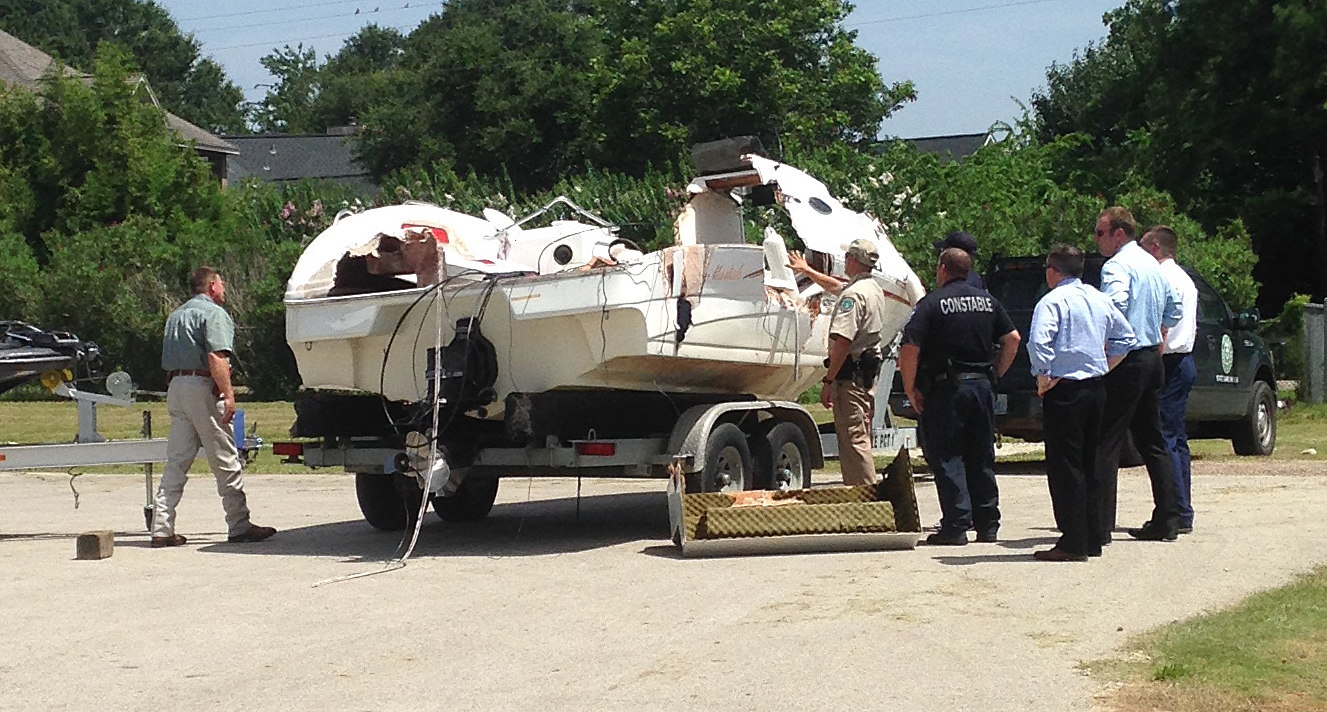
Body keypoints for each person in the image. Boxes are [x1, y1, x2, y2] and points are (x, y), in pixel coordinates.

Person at [899, 248, 1020, 545]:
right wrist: (996, 373)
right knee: (981, 455)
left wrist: (910, 388)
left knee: (948, 455)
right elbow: (1013, 339)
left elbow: (910, 349)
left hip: (947, 389)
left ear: (943, 268)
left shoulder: (932, 304)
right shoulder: (988, 301)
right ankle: (988, 524)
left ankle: (956, 525)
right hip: (981, 387)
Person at [152, 267, 276, 547]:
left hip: (176, 385)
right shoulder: (214, 313)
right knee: (225, 457)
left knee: (177, 460)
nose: (224, 288)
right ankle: (239, 524)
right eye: (221, 283)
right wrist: (229, 395)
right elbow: (216, 356)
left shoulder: (176, 315)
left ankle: (161, 527)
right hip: (202, 386)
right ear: (211, 286)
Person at [1027, 246, 1137, 562]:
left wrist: (1043, 377)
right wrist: (1105, 364)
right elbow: (1126, 338)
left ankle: (1073, 541)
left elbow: (1039, 342)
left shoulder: (1052, 302)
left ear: (1052, 270)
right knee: (1091, 462)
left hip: (1066, 390)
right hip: (1096, 387)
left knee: (1066, 467)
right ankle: (1093, 536)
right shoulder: (1099, 298)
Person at [1092, 207, 1184, 543]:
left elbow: (1113, 306)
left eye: (1100, 233)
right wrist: (1158, 332)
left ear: (1119, 233)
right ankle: (1168, 519)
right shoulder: (1151, 264)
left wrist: (1106, 345)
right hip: (1151, 358)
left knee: (1106, 440)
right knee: (1152, 441)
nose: (1097, 240)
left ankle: (1099, 526)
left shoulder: (1117, 265)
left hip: (1126, 359)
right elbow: (1175, 307)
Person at [813, 239, 889, 486]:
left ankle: (866, 498)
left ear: (854, 261)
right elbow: (838, 287)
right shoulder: (873, 289)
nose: (844, 261)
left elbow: (843, 342)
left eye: (847, 258)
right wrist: (807, 270)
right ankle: (865, 494)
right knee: (861, 436)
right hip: (866, 377)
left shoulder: (853, 296)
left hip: (850, 379)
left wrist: (828, 380)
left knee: (854, 440)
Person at [1140, 225, 1199, 534]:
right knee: (1177, 440)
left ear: (1155, 249)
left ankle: (1175, 511)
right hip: (1185, 359)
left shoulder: (1162, 278)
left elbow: (1163, 327)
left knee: (1164, 439)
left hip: (1170, 361)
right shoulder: (1185, 279)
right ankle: (1182, 508)